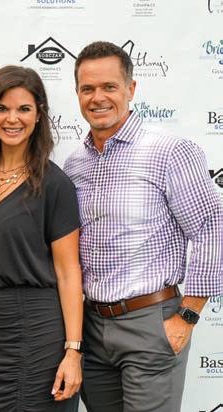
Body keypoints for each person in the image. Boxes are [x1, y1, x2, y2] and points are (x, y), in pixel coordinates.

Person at [64, 41, 223, 412]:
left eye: (109, 86)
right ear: (77, 93)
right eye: (88, 88)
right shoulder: (74, 165)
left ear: (131, 89)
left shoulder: (169, 151)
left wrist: (187, 316)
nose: (98, 97)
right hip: (92, 329)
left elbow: (211, 229)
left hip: (152, 323)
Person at [0, 65, 83, 411]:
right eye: (2, 108)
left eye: (24, 109)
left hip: (40, 334)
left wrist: (73, 351)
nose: (12, 119)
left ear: (38, 115)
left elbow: (68, 272)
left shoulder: (54, 184)